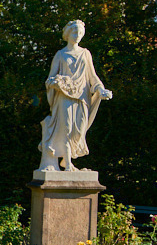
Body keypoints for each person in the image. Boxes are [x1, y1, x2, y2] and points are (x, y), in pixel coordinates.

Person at [37, 20, 112, 171]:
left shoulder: (85, 53)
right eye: (75, 32)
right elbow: (50, 79)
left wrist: (101, 89)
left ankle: (68, 160)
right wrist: (56, 83)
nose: (77, 35)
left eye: (80, 33)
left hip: (82, 97)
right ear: (68, 34)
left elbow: (92, 77)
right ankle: (68, 164)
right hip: (64, 96)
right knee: (66, 128)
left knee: (79, 130)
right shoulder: (61, 54)